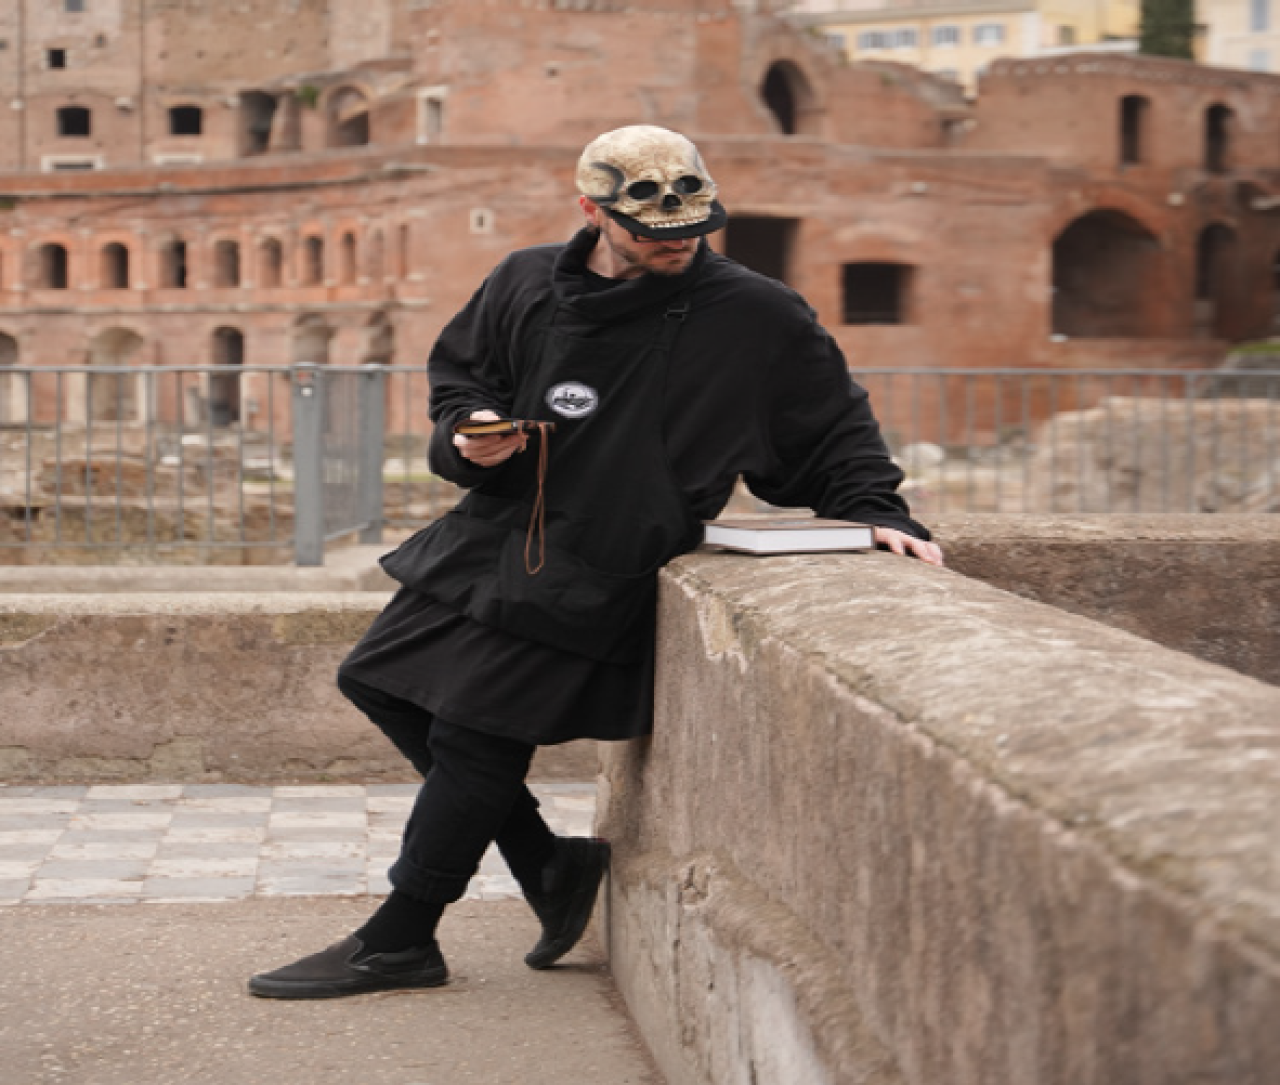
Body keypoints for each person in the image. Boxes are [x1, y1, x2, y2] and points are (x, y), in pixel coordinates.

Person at [248, 124, 943, 1000]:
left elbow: (833, 427)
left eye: (693, 231)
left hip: (613, 551)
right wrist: (469, 437)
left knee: (473, 734)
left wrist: (877, 512)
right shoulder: (523, 279)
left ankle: (401, 937)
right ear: (592, 211)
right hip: (495, 529)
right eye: (653, 234)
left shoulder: (756, 313)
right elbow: (463, 381)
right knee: (378, 680)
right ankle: (549, 866)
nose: (676, 246)